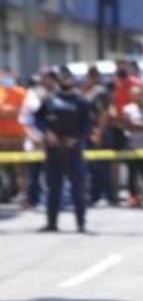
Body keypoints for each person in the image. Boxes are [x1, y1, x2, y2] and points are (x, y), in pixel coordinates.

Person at [35, 67, 92, 233]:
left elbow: (87, 123)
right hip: (54, 148)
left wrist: (77, 138)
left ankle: (81, 223)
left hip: (73, 148)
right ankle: (51, 223)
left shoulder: (81, 100)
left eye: (68, 78)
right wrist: (47, 133)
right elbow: (38, 119)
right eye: (63, 78)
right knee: (53, 188)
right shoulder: (50, 99)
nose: (66, 81)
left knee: (78, 188)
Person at [81, 66, 117, 206]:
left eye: (90, 76)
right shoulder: (88, 91)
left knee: (102, 166)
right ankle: (94, 196)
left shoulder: (100, 91)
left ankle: (108, 196)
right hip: (89, 132)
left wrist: (98, 132)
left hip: (99, 132)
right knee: (92, 166)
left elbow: (103, 113)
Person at [19, 70, 54, 209]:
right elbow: (24, 120)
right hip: (35, 139)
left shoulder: (55, 94)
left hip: (52, 139)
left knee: (51, 172)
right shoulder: (32, 95)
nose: (49, 80)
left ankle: (50, 200)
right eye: (46, 77)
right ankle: (33, 200)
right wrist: (33, 136)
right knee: (34, 172)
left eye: (51, 77)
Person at [122, 84, 143, 207]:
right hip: (132, 146)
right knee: (132, 173)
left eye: (139, 94)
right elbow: (128, 126)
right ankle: (133, 196)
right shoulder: (127, 109)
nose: (137, 97)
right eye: (134, 95)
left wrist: (137, 124)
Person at [0, 68, 27, 202]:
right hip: (2, 137)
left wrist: (7, 111)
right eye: (3, 75)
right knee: (2, 168)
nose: (6, 78)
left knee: (21, 169)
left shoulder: (22, 92)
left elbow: (24, 111)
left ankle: (22, 196)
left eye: (8, 75)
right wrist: (13, 111)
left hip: (19, 137)